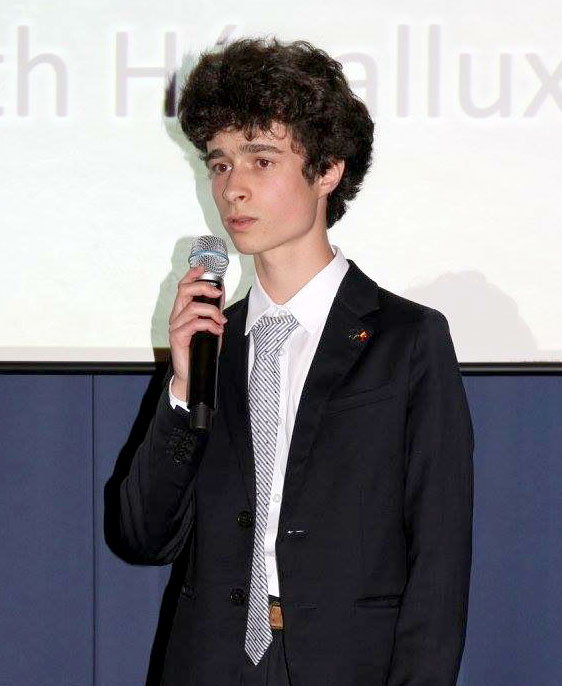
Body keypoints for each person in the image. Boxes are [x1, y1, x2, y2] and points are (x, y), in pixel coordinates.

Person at [106, 38, 473, 686]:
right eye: (219, 165)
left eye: (260, 159)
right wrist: (184, 386)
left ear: (328, 168)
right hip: (210, 667)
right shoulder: (213, 345)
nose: (232, 188)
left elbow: (439, 565)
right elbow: (142, 535)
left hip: (349, 666)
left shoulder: (406, 342)